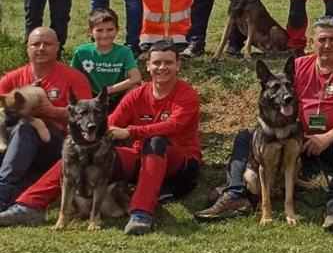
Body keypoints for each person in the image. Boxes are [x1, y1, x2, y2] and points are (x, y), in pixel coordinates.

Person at [0, 42, 201, 236]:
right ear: (148, 66)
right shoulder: (137, 94)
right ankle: (29, 206)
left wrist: (130, 132)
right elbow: (110, 123)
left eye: (168, 62)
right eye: (157, 63)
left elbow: (173, 126)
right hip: (141, 157)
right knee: (74, 154)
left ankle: (141, 214)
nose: (162, 67)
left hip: (180, 160)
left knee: (157, 140)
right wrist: (87, 137)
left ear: (178, 65)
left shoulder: (187, 94)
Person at [195, 17, 333, 232]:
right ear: (311, 42)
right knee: (245, 135)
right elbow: (275, 92)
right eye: (322, 39)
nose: (327, 45)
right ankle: (235, 194)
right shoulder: (298, 67)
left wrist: (325, 139)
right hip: (297, 138)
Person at [0, 28, 92, 211]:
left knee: (26, 128)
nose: (41, 48)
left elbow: (89, 119)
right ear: (27, 48)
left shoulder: (74, 78)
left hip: (56, 145)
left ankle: (2, 194)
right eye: (35, 44)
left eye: (47, 44)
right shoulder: (13, 78)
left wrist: (52, 111)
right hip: (11, 143)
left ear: (57, 47)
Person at [70, 8, 142, 98]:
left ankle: (127, 112)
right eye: (99, 30)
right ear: (90, 32)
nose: (105, 35)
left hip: (116, 94)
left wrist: (108, 90)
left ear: (117, 30)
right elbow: (71, 77)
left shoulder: (125, 51)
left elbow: (136, 78)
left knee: (135, 89)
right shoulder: (82, 52)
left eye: (110, 30)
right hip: (91, 98)